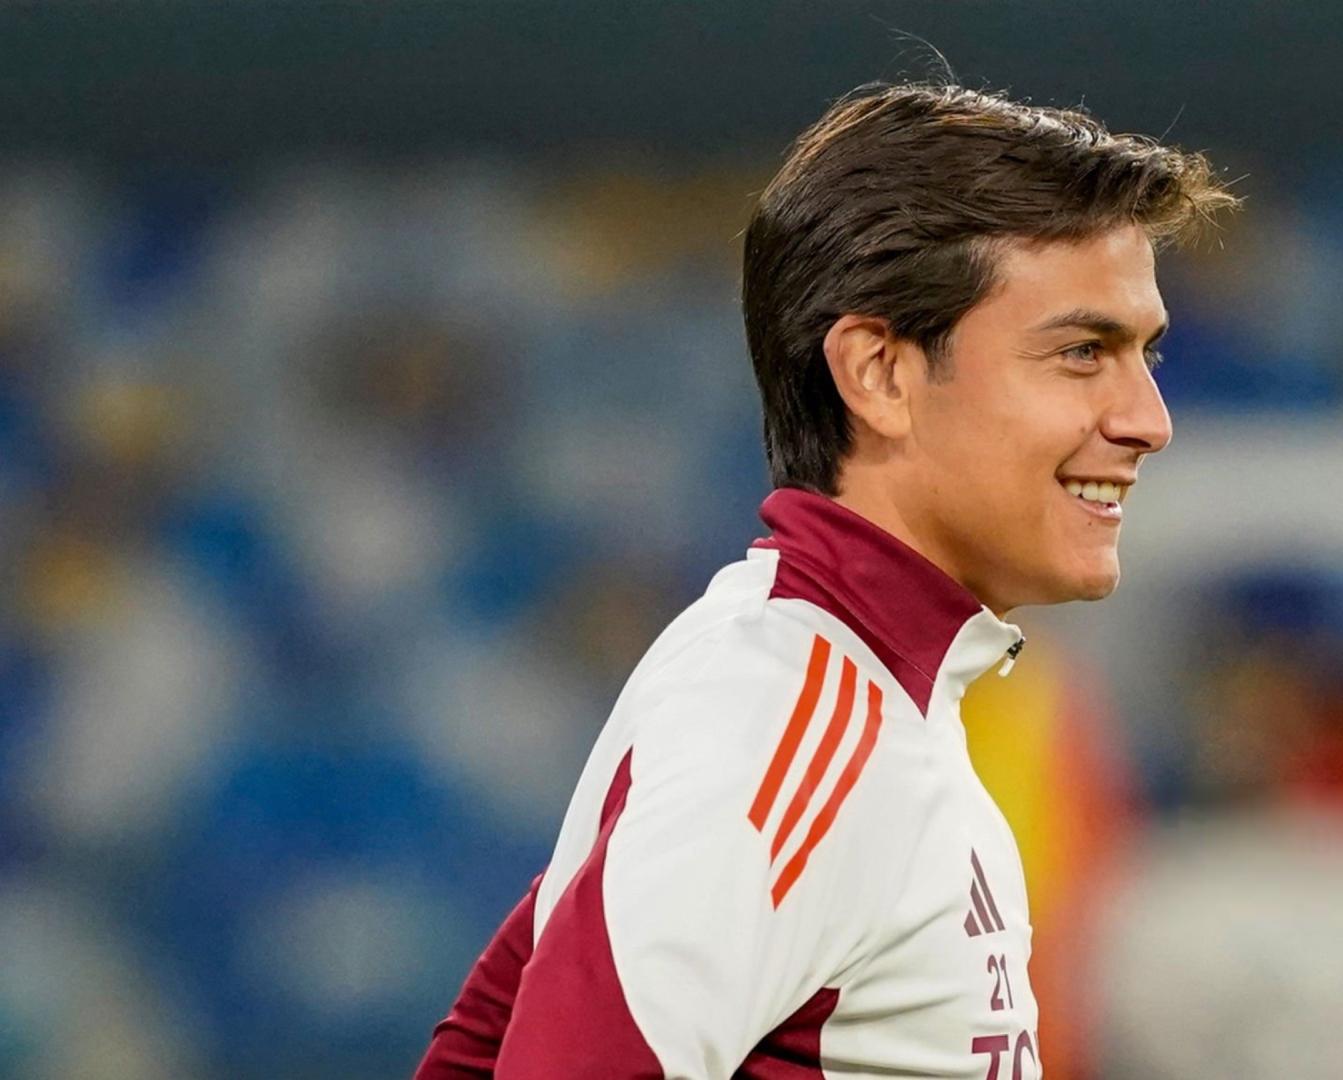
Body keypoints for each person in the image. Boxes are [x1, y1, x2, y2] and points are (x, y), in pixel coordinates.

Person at [415, 80, 1237, 1078]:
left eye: (1145, 355)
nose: (1149, 420)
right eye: (1080, 352)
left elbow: (483, 1043)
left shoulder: (821, 689)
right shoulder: (792, 723)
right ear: (879, 374)